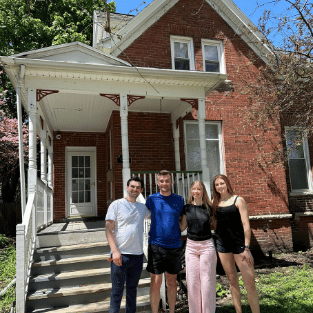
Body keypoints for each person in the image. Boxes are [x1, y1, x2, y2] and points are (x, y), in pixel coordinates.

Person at [212, 174, 260, 313]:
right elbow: (215, 223)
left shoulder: (238, 200)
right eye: (217, 184)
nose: (220, 186)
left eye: (222, 183)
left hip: (240, 247)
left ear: (227, 183)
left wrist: (247, 248)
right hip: (223, 247)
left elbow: (246, 226)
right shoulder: (215, 203)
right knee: (232, 282)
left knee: (250, 284)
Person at [105, 176, 150, 313]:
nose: (134, 189)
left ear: (141, 190)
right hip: (120, 255)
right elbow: (108, 228)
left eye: (137, 187)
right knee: (117, 292)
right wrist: (115, 251)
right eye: (132, 186)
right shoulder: (116, 205)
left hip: (137, 257)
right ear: (127, 187)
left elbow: (156, 216)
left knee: (132, 292)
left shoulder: (143, 208)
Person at [145, 170, 184, 313]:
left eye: (167, 181)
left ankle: (172, 311)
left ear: (171, 182)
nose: (164, 183)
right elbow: (145, 214)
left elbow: (182, 218)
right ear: (157, 183)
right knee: (155, 283)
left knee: (172, 282)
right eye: (161, 181)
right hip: (156, 245)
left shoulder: (179, 200)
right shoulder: (151, 199)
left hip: (174, 246)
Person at [180, 181, 217, 313]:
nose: (196, 191)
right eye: (194, 189)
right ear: (191, 191)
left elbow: (214, 225)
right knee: (192, 282)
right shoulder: (187, 208)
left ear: (203, 191)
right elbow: (182, 227)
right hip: (191, 247)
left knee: (207, 282)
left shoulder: (209, 207)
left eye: (199, 189)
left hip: (207, 246)